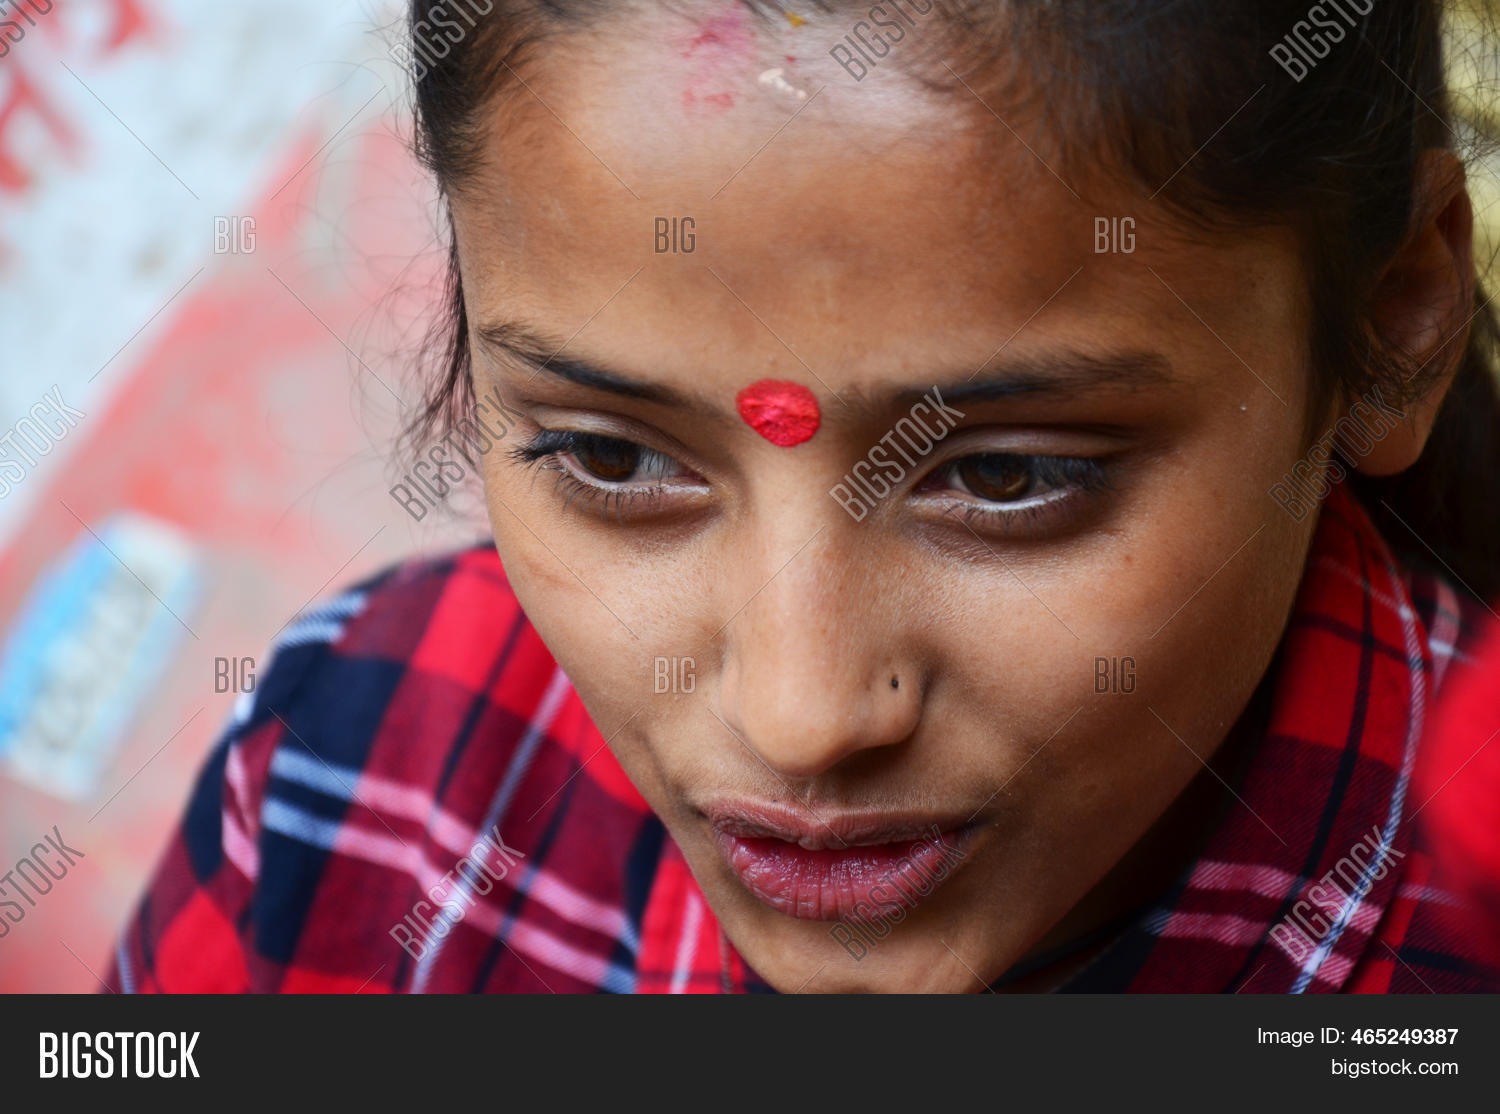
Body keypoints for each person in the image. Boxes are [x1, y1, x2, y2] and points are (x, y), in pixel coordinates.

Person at [110, 0, 1500, 993]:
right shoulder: (346, 774)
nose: (801, 715)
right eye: (611, 458)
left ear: (1395, 320)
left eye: (1007, 476)